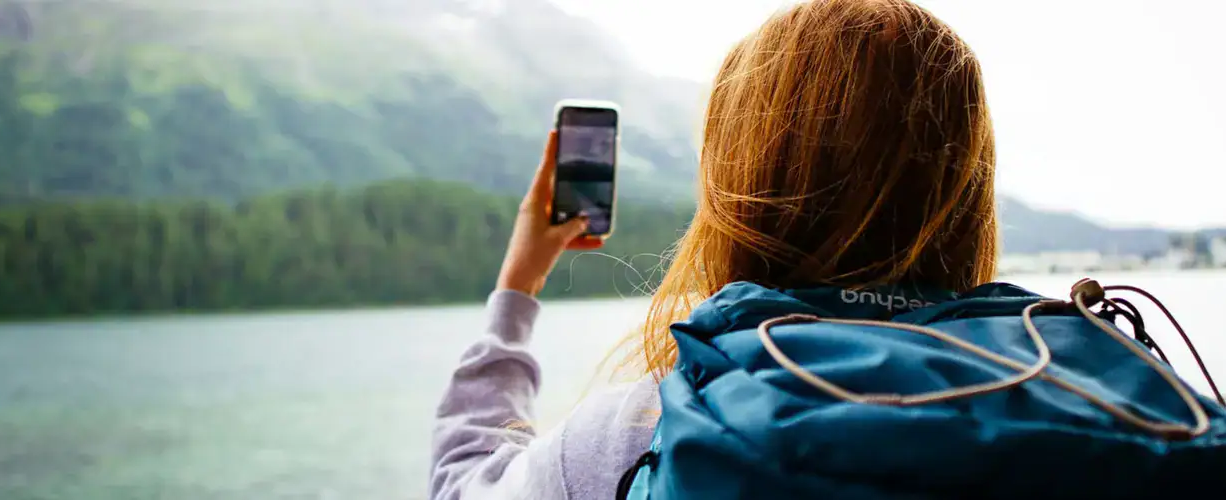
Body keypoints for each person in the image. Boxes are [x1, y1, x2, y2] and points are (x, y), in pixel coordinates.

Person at [429, 0, 1226, 498]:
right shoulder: (1128, 402)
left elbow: (463, 484)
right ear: (965, 183)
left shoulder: (650, 427)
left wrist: (517, 287)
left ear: (738, 189)